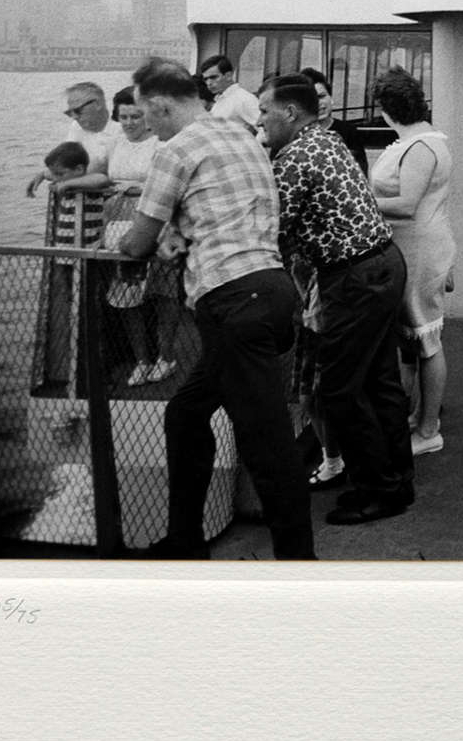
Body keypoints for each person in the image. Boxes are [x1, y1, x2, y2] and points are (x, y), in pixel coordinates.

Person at [110, 59, 312, 561]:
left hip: (231, 300)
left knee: (266, 444)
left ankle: (299, 564)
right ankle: (184, 540)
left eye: (144, 116)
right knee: (185, 413)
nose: (144, 127)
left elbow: (137, 243)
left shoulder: (174, 150)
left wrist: (131, 242)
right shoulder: (241, 132)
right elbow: (223, 207)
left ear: (159, 105)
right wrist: (180, 232)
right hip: (271, 287)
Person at [260, 74, 417, 526]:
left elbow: (273, 229)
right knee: (380, 381)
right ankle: (396, 481)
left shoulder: (293, 159)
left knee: (340, 389)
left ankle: (378, 492)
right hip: (384, 263)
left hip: (353, 278)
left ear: (290, 112)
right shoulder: (327, 141)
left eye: (265, 112)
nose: (261, 123)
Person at [369, 67, 454, 455]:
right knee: (412, 340)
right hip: (412, 247)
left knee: (425, 339)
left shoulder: (420, 146)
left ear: (387, 110)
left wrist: (358, 200)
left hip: (417, 249)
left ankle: (429, 429)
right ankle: (418, 416)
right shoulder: (420, 141)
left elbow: (406, 205)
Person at [99, 86, 177, 388]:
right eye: (124, 117)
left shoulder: (161, 145)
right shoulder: (115, 143)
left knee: (162, 293)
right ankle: (142, 359)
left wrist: (130, 188)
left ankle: (166, 356)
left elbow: (168, 186)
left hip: (156, 223)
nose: (129, 122)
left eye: (135, 116)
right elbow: (100, 174)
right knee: (127, 295)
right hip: (119, 223)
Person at [26, 80, 119, 197]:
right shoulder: (76, 127)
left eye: (78, 111)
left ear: (97, 104)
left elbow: (107, 178)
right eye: (70, 113)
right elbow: (68, 166)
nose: (74, 117)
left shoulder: (120, 131)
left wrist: (68, 183)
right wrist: (44, 174)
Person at [198, 54, 260, 133]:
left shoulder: (243, 99)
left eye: (213, 77)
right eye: (206, 79)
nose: (209, 83)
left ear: (228, 76)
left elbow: (263, 128)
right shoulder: (221, 99)